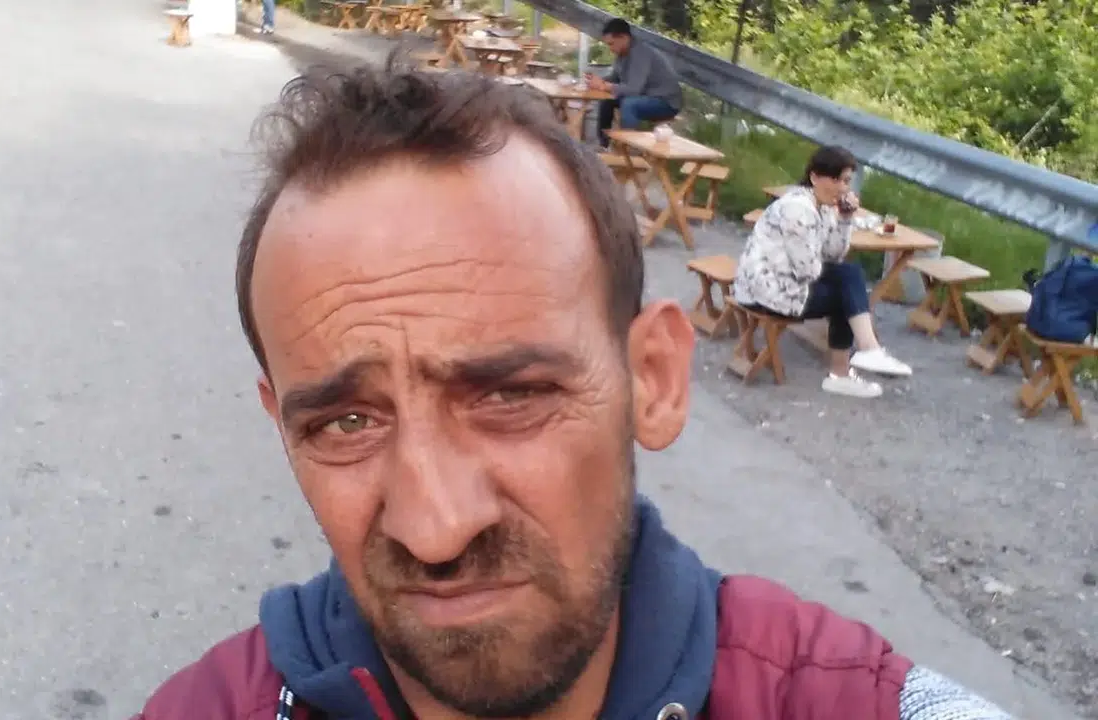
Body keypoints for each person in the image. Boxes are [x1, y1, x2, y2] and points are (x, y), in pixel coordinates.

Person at [133, 60, 1013, 720]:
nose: (435, 527)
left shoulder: (834, 697)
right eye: (346, 421)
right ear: (282, 429)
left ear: (653, 380)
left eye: (509, 396)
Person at [733, 145, 913, 399]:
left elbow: (833, 254)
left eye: (846, 181)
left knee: (848, 278)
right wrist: (838, 276)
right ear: (815, 177)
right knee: (847, 290)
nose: (842, 188)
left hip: (784, 281)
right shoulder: (798, 209)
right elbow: (807, 270)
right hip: (764, 291)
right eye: (835, 179)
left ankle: (861, 356)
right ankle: (848, 367)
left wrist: (845, 219)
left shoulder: (824, 206)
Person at [585, 18, 682, 148]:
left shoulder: (641, 53)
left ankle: (625, 148)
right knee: (607, 100)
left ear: (624, 37)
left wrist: (605, 86)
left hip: (665, 101)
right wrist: (598, 81)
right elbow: (615, 78)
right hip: (645, 95)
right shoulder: (622, 53)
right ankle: (603, 144)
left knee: (629, 104)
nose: (610, 49)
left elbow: (633, 89)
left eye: (611, 44)